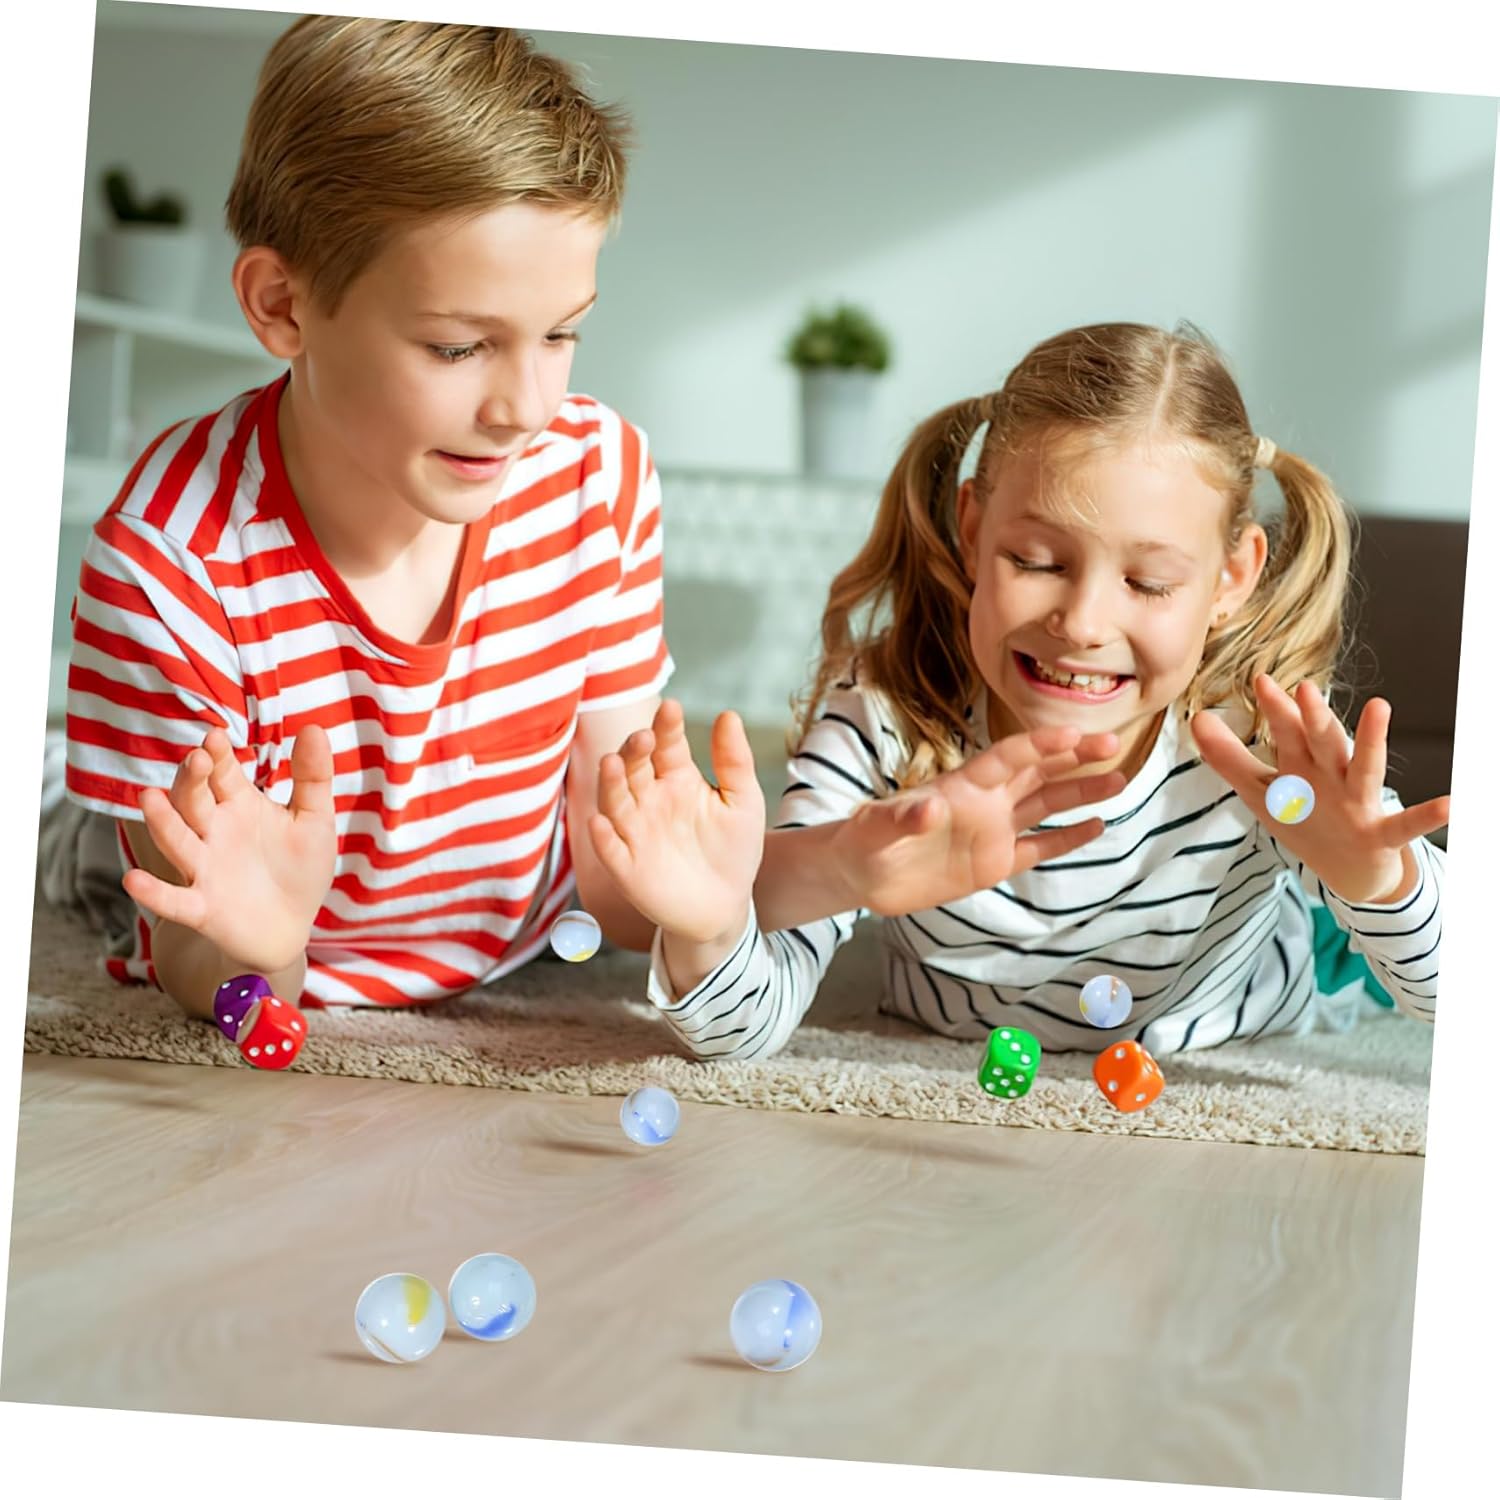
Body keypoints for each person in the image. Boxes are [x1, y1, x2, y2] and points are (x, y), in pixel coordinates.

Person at [587, 322, 1448, 1061]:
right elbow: (742, 1029)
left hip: (1261, 992)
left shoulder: (1259, 736)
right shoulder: (887, 714)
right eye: (1036, 562)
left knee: (1365, 931)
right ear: (972, 530)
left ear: (1230, 579)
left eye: (1147, 583)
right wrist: (709, 929)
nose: (1082, 623)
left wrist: (1377, 881)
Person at [57, 17, 671, 1019]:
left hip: (514, 934)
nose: (525, 408)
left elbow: (623, 879)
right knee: (73, 837)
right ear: (283, 306)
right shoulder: (169, 563)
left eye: (562, 334)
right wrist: (260, 953)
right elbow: (206, 969)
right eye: (457, 348)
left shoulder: (598, 476)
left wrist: (831, 864)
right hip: (194, 879)